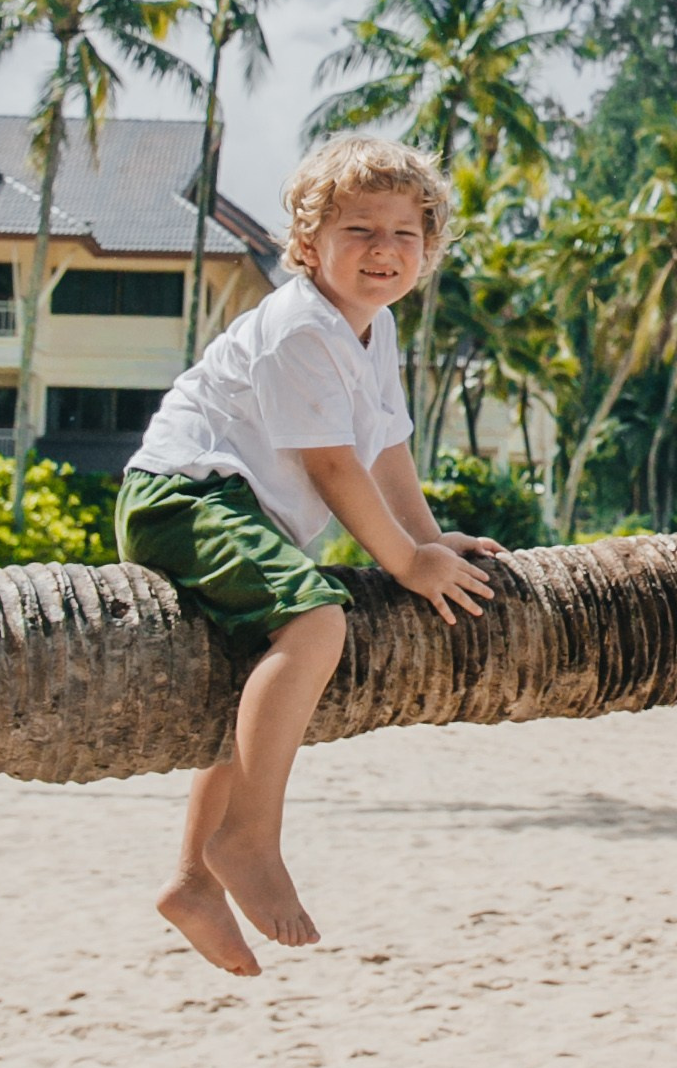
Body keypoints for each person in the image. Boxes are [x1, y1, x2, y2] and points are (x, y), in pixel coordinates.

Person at [116, 134, 499, 977]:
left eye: (405, 233)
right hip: (183, 495)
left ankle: (191, 880)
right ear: (307, 243)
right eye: (359, 229)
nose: (384, 250)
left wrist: (430, 542)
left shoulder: (376, 328)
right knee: (317, 623)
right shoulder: (301, 327)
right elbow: (332, 466)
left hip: (235, 508)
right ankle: (249, 836)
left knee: (259, 668)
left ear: (427, 250)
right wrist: (405, 564)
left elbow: (385, 448)